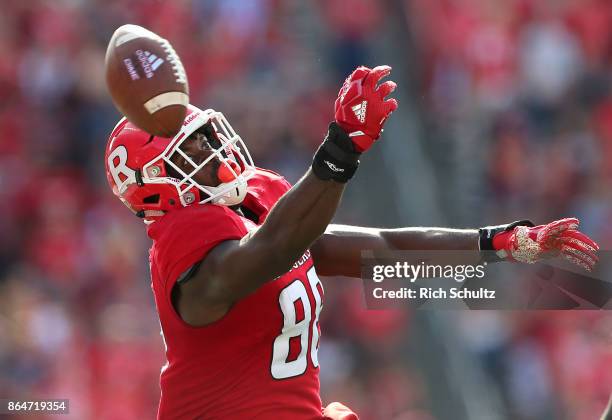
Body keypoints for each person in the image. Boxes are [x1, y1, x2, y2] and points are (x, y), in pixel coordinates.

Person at [104, 65, 599, 419]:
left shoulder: (258, 200)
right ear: (154, 182)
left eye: (207, 136)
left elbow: (379, 249)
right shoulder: (180, 234)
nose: (214, 149)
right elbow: (268, 253)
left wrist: (500, 242)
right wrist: (339, 150)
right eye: (192, 146)